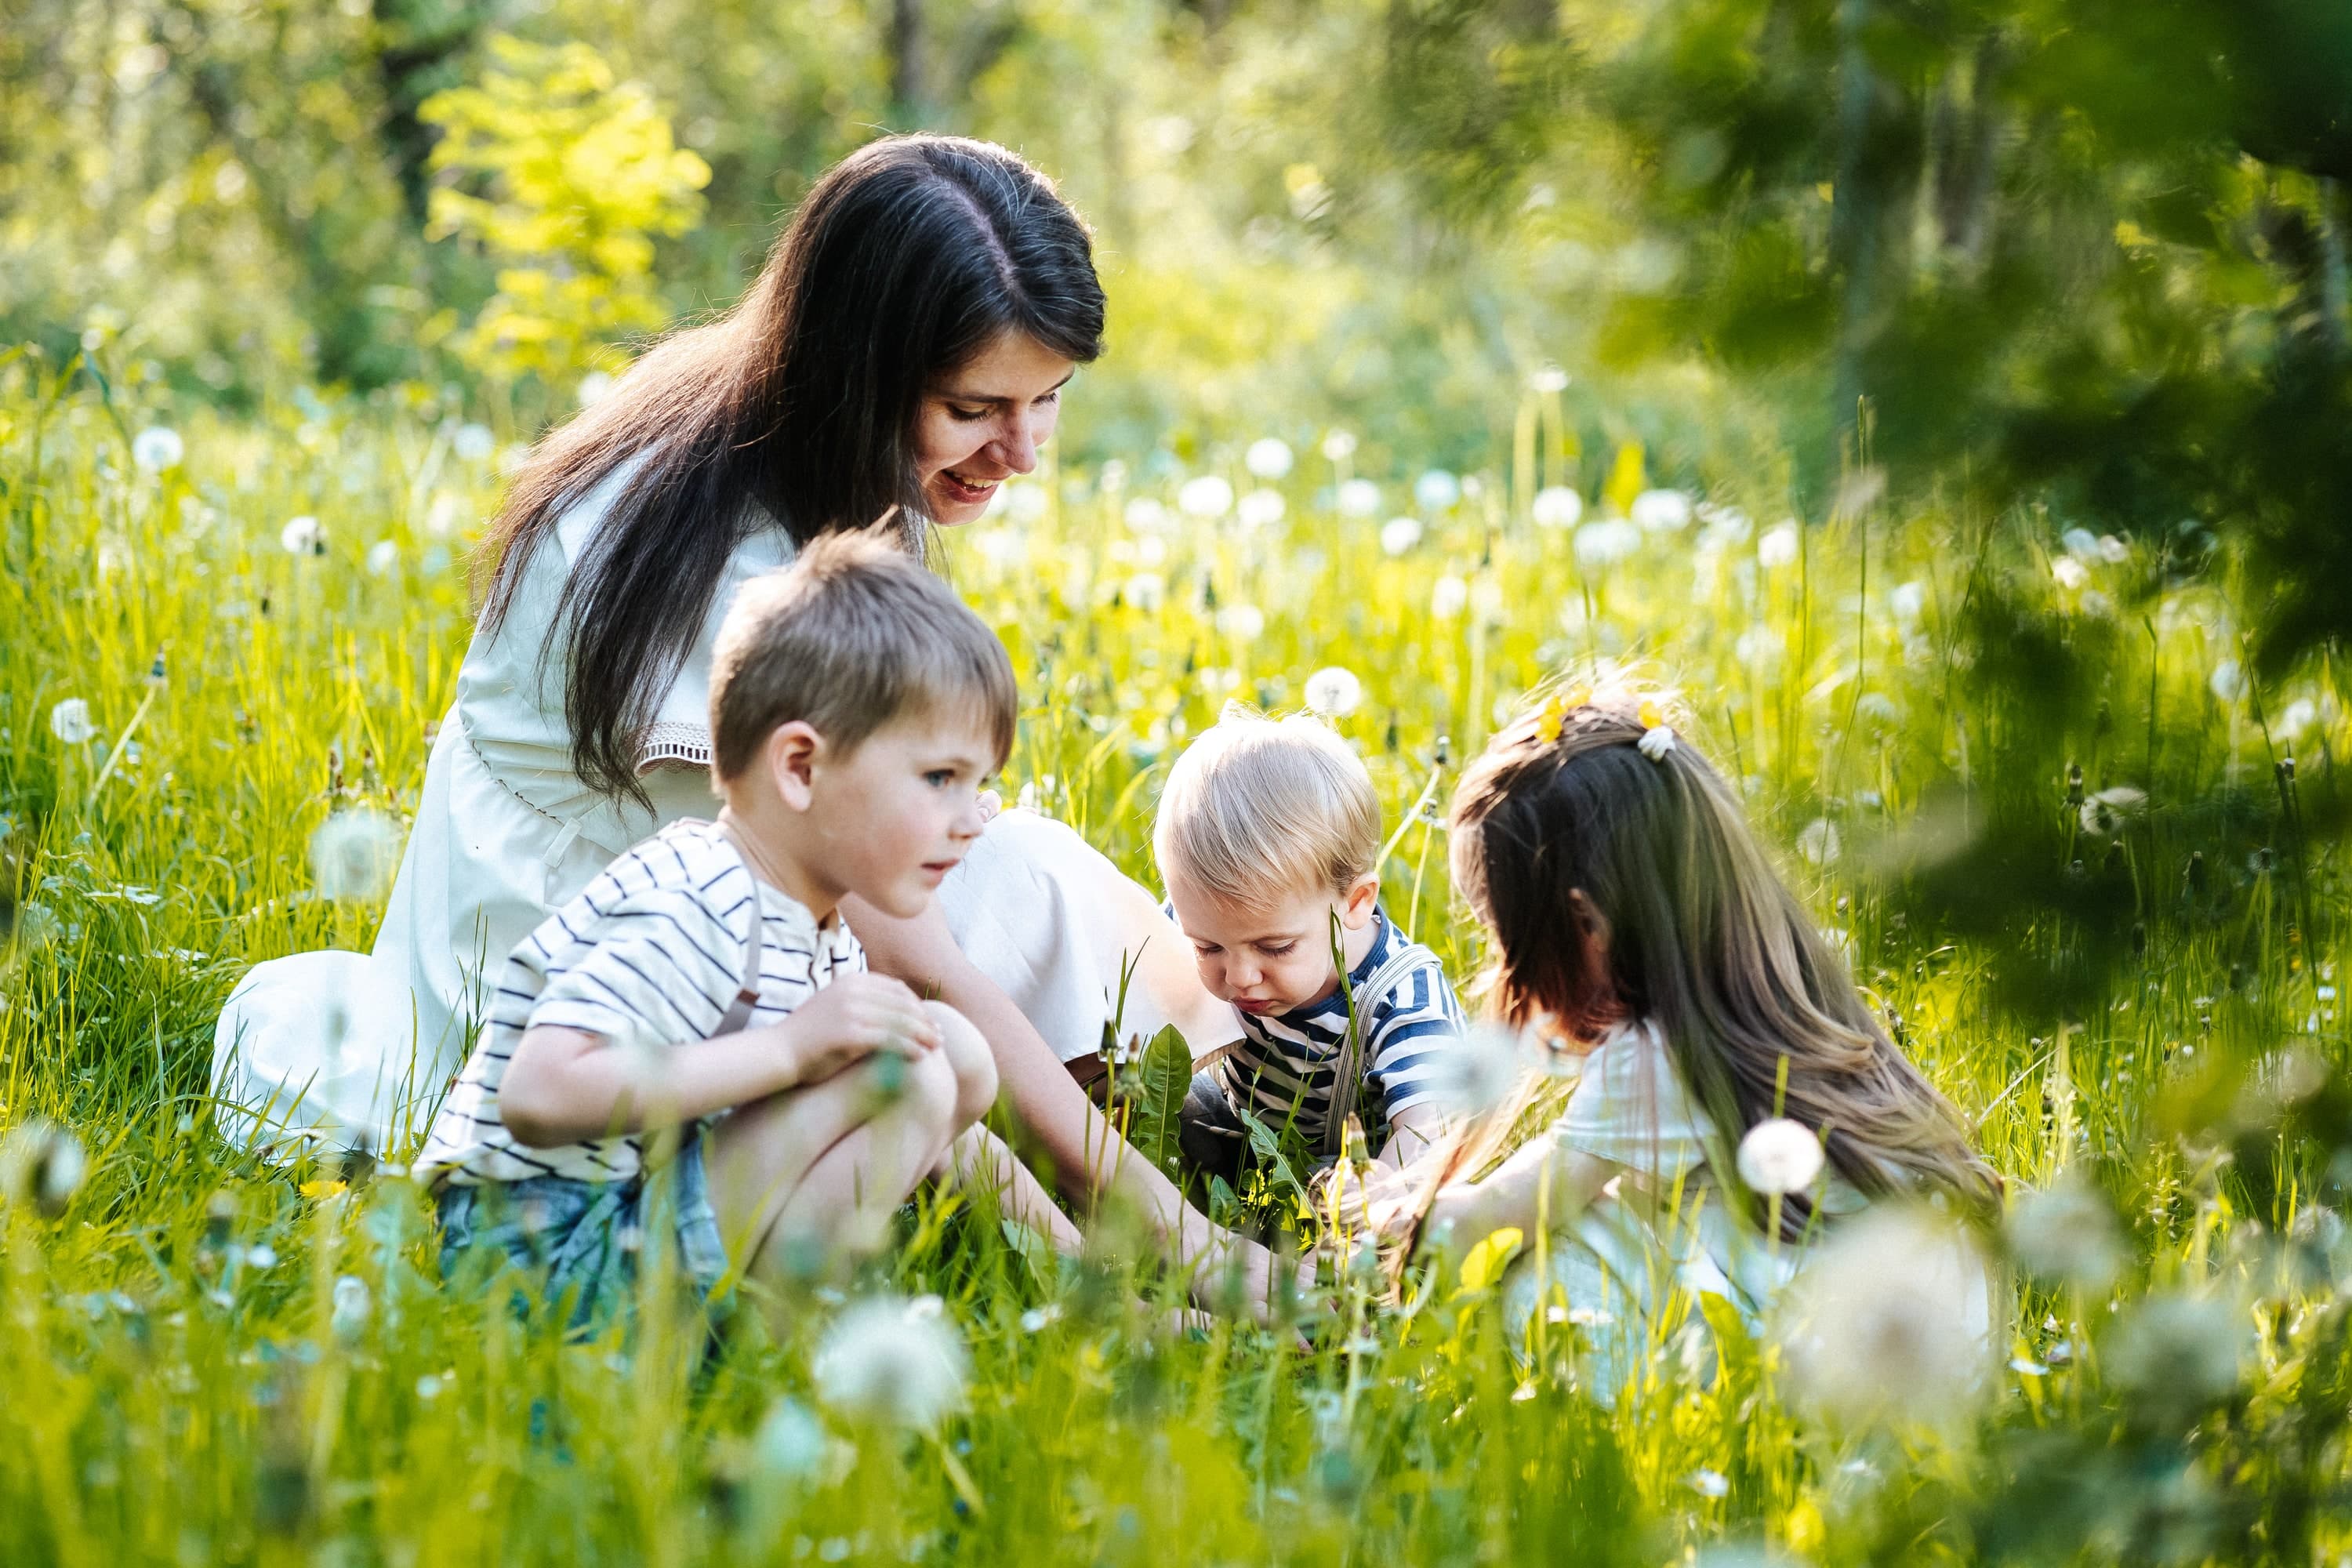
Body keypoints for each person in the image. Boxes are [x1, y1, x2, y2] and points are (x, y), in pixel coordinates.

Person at [215, 133, 1286, 1312]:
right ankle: (1137, 1221)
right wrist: (1167, 1249)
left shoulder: (791, 439)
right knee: (948, 990)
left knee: (1029, 872)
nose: (1022, 453)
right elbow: (893, 961)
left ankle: (1260, 1093)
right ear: (858, 371)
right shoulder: (717, 574)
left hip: (732, 930)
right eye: (975, 408)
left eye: (1048, 401)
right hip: (594, 1000)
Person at [416, 535, 1018, 1327]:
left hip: (634, 1215)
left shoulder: (818, 928)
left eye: (979, 783)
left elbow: (950, 1132)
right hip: (543, 1251)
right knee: (916, 1073)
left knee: (953, 1054)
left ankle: (755, 1329)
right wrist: (790, 1050)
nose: (972, 819)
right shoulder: (701, 897)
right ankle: (758, 1346)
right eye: (940, 778)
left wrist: (1091, 1270)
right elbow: (539, 1091)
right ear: (800, 767)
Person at [1366, 682, 2002, 1396]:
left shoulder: (1654, 1056)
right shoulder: (1779, 990)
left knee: (1546, 1265)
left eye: (1503, 937)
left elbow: (1500, 1214)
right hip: (1945, 1338)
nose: (1502, 967)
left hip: (1842, 1375)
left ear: (1587, 925)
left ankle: (1633, 1420)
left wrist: (1391, 1230)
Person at [1153, 707, 1468, 1185]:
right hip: (1238, 1140)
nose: (1239, 976)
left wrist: (1374, 1196)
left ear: (1355, 902)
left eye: (1275, 947)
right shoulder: (1205, 919)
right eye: (1207, 948)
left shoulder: (1403, 1001)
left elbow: (1429, 1133)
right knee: (1153, 1094)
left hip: (1353, 1174)